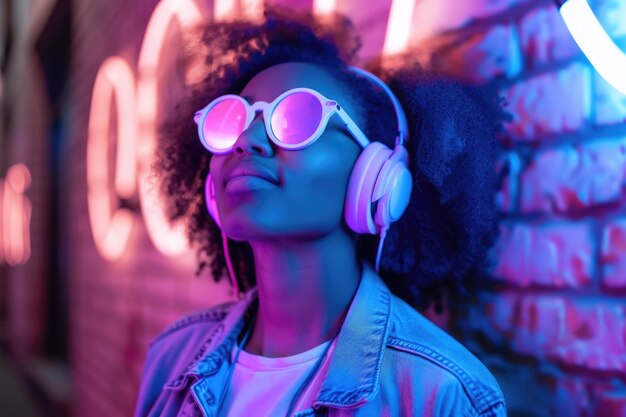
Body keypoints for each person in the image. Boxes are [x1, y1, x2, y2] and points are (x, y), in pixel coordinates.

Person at [134, 7, 510, 417]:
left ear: (376, 178)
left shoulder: (439, 392)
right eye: (234, 121)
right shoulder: (172, 358)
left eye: (296, 118)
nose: (247, 141)